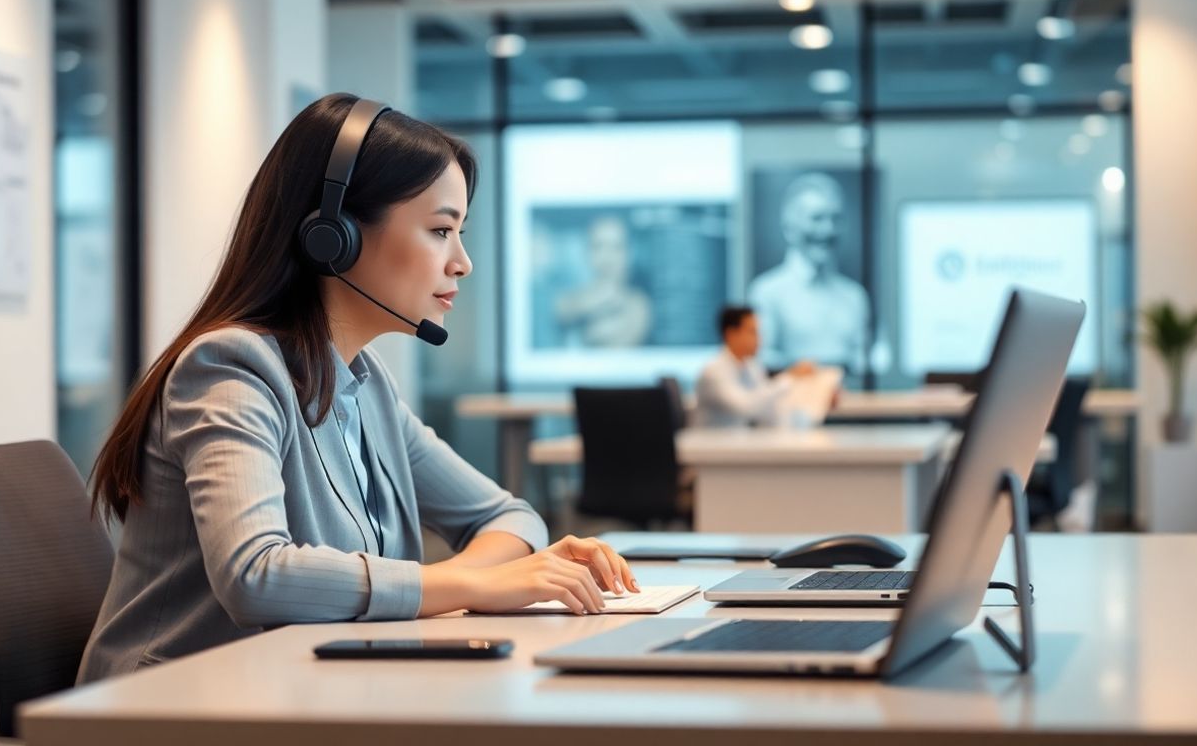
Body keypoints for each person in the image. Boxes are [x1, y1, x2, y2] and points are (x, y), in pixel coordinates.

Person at [77, 94, 638, 683]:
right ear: (333, 236)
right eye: (440, 230)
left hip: (304, 687)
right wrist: (467, 583)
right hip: (171, 703)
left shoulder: (367, 387)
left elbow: (509, 516)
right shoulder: (230, 368)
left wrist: (492, 578)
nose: (462, 262)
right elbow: (254, 574)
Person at [747, 172, 872, 372]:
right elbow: (761, 358)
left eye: (836, 219)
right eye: (817, 218)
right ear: (789, 229)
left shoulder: (855, 295)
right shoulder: (767, 292)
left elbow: (869, 358)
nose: (828, 229)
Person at [694, 306, 813, 428]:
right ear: (731, 334)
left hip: (740, 438)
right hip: (712, 439)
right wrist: (788, 377)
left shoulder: (751, 366)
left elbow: (767, 407)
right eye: (753, 332)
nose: (759, 339)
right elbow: (746, 407)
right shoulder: (714, 372)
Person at [553, 215, 652, 347]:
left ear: (630, 254)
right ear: (585, 253)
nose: (607, 258)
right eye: (598, 246)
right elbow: (560, 311)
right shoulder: (568, 300)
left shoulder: (639, 305)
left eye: (617, 247)